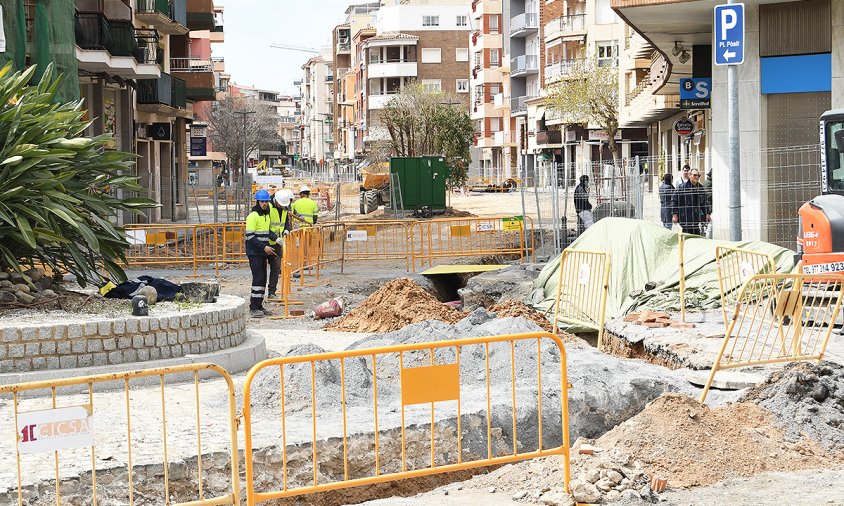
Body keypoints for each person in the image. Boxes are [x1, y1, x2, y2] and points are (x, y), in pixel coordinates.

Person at [245, 190, 278, 317]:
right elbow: (250, 237)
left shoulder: (266, 215)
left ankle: (259, 305)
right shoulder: (252, 216)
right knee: (258, 278)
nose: (264, 204)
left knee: (263, 279)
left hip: (262, 252)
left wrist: (276, 238)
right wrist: (264, 247)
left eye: (266, 202)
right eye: (262, 201)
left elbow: (267, 232)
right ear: (258, 202)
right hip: (254, 252)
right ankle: (253, 307)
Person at [266, 190, 294, 299]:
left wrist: (287, 230)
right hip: (265, 242)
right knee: (261, 271)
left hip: (277, 244)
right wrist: (275, 237)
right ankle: (258, 295)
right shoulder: (267, 207)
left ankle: (271, 292)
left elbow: (287, 222)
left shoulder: (285, 208)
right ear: (276, 201)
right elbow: (263, 227)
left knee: (276, 268)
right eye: (280, 205)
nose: (282, 207)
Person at [672, 169, 709, 235]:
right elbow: (674, 201)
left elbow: (704, 203)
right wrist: (674, 214)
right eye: (695, 175)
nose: (697, 177)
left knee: (696, 237)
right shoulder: (682, 188)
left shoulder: (700, 188)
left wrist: (707, 213)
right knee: (686, 238)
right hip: (685, 218)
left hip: (696, 219)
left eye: (698, 175)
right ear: (689, 175)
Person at [703, 169, 713, 238]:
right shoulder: (709, 183)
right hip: (709, 206)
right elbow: (708, 195)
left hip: (707, 206)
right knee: (710, 225)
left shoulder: (707, 182)